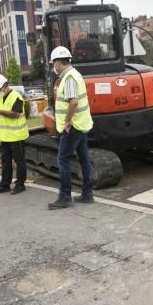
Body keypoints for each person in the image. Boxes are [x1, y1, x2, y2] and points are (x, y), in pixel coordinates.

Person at [47, 46, 93, 210]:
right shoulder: (74, 75)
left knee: (62, 160)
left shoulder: (69, 78)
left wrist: (66, 121)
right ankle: (87, 194)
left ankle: (65, 196)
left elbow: (73, 102)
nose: (54, 66)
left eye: (54, 63)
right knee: (84, 159)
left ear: (59, 62)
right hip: (80, 125)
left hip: (72, 127)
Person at [0, 73, 28, 195]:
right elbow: (2, 115)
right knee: (5, 161)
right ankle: (5, 184)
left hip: (17, 136)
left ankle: (20, 184)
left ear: (5, 86)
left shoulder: (16, 96)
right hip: (4, 137)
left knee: (19, 161)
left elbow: (15, 114)